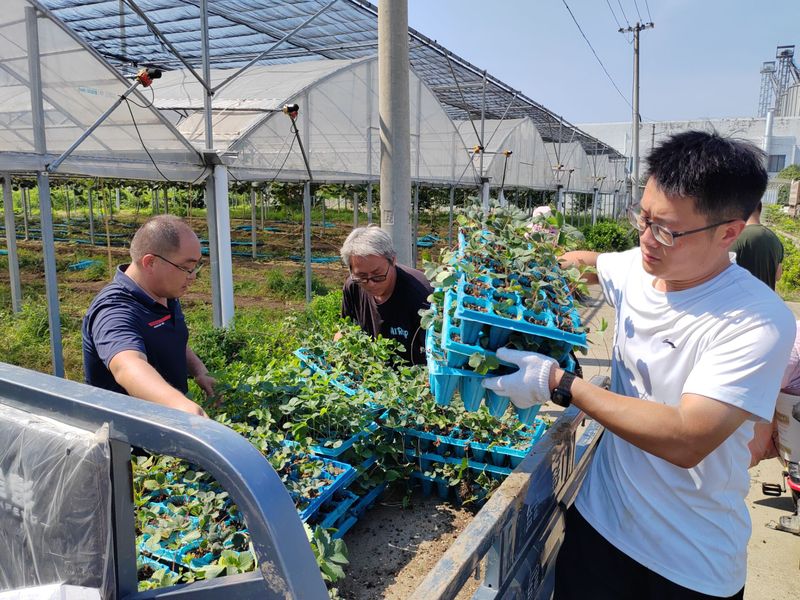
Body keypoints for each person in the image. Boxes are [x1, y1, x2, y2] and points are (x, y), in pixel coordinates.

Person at [482, 131, 796, 599]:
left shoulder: (756, 320)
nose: (646, 239)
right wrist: (526, 262)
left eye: (666, 229)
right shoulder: (641, 267)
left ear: (729, 232)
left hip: (688, 561)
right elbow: (588, 264)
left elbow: (687, 438)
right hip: (600, 526)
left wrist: (560, 383)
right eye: (643, 217)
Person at [82, 215, 214, 417]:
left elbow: (169, 339)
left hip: (170, 422)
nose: (193, 276)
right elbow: (127, 366)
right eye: (185, 268)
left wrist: (199, 370)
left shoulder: (164, 293)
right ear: (151, 262)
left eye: (195, 267)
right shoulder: (114, 310)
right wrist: (180, 404)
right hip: (129, 433)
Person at [339, 226, 432, 365]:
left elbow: (436, 358)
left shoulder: (422, 295)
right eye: (362, 276)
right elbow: (344, 331)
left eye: (377, 275)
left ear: (393, 260)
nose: (371, 283)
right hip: (371, 370)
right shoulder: (353, 286)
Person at [730, 201, 784, 289]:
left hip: (743, 296)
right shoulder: (775, 239)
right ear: (760, 210)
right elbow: (778, 276)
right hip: (767, 296)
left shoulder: (736, 237)